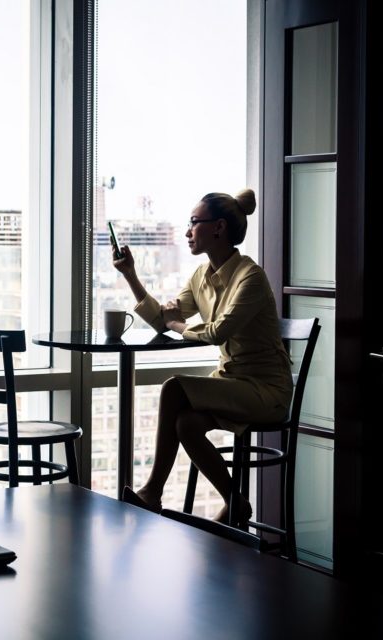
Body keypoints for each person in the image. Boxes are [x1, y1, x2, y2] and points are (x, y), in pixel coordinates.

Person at [113, 188, 292, 525]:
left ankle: (152, 490)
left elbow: (217, 331)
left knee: (173, 388)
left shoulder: (250, 277)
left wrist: (179, 324)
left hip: (266, 390)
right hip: (232, 383)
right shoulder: (201, 277)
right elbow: (162, 321)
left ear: (219, 228)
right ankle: (236, 501)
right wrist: (130, 275)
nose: (187, 231)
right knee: (186, 423)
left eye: (194, 223)